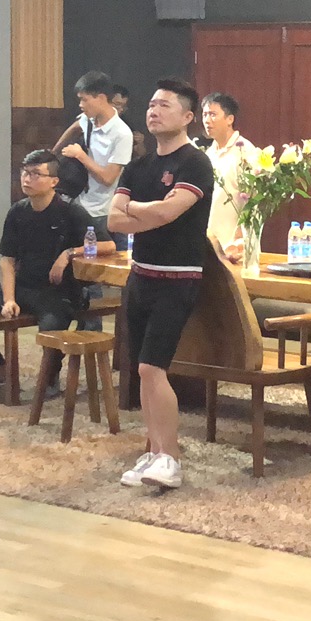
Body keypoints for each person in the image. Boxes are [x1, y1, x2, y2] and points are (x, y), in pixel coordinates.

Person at [108, 79, 216, 491]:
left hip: (178, 278)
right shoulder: (138, 166)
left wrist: (136, 208)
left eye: (164, 105)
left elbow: (170, 213)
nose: (153, 111)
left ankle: (170, 458)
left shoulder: (195, 163)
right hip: (141, 276)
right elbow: (114, 221)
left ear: (187, 117)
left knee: (154, 367)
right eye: (151, 105)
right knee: (142, 369)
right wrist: (148, 211)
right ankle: (154, 452)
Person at [0, 150, 114, 396]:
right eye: (25, 173)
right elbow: (7, 260)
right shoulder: (18, 211)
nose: (27, 179)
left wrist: (69, 253)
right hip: (23, 286)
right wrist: (9, 299)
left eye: (36, 174)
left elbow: (107, 245)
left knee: (51, 326)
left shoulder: (70, 211)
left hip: (58, 291)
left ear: (54, 181)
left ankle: (50, 379)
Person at [55, 71, 134, 248]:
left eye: (84, 100)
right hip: (78, 203)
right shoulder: (88, 119)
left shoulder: (122, 134)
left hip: (101, 212)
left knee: (98, 258)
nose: (81, 105)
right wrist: (54, 153)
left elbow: (108, 178)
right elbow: (75, 127)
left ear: (101, 98)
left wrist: (80, 155)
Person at [199, 91, 253, 262]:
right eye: (205, 115)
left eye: (213, 114)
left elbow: (254, 202)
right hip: (209, 244)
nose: (207, 120)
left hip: (234, 248)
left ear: (230, 119)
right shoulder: (208, 153)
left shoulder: (245, 152)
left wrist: (239, 240)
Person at [109, 84, 150, 160]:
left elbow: (142, 156)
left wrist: (139, 142)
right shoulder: (91, 122)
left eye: (124, 106)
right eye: (117, 104)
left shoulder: (125, 124)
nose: (121, 109)